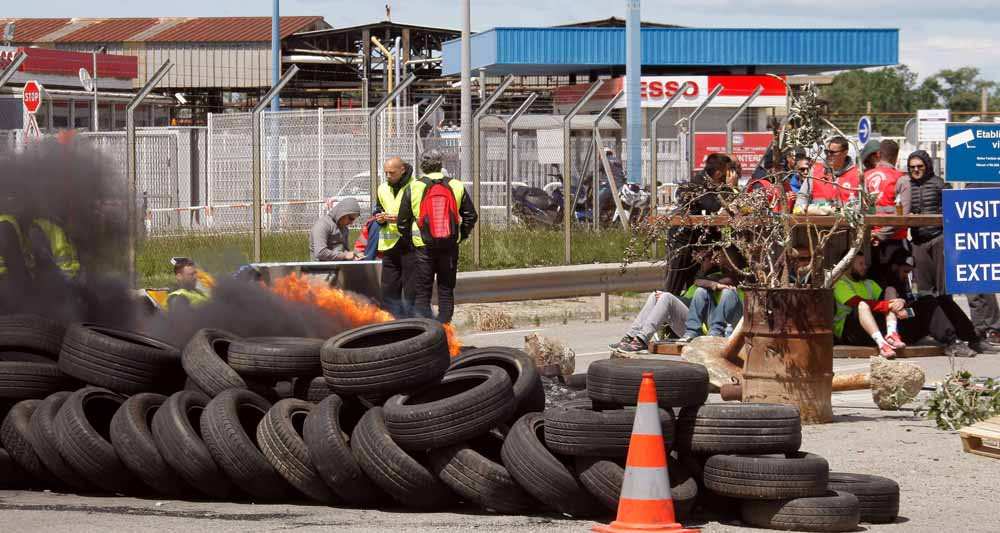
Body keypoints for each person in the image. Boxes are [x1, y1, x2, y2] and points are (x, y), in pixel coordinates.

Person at [397, 149, 478, 324]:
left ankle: (428, 331)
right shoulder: (456, 185)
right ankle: (445, 329)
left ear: (422, 165)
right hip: (449, 246)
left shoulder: (414, 187)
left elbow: (402, 222)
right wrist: (460, 236)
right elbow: (471, 216)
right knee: (446, 289)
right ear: (441, 165)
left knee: (423, 291)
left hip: (423, 247)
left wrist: (410, 242)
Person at [872, 247, 989, 357]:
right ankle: (951, 342)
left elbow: (909, 307)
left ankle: (973, 339)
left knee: (942, 300)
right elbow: (892, 313)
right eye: (905, 271)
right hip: (894, 330)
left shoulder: (903, 283)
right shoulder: (886, 285)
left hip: (907, 319)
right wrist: (911, 310)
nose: (907, 276)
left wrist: (911, 309)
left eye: (910, 272)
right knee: (928, 304)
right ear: (894, 267)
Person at [833, 251, 905, 358]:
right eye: (860, 264)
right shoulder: (839, 283)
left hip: (873, 329)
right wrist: (889, 305)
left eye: (865, 263)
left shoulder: (869, 283)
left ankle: (892, 333)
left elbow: (887, 301)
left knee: (890, 290)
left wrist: (900, 302)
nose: (865, 267)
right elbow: (856, 302)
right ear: (847, 265)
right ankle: (882, 344)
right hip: (850, 333)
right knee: (862, 305)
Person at [376, 156, 416, 317]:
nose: (388, 176)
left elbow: (422, 215)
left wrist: (400, 219)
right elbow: (377, 209)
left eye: (391, 173)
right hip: (389, 244)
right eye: (386, 173)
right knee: (388, 289)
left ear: (402, 170)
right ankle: (389, 325)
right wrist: (379, 218)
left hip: (410, 243)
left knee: (410, 289)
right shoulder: (382, 188)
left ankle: (411, 323)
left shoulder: (415, 186)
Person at [906, 150, 948, 296]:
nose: (916, 170)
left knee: (944, 288)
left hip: (939, 239)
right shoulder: (907, 185)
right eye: (912, 167)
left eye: (920, 166)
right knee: (924, 291)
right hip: (918, 242)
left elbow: (950, 210)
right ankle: (929, 318)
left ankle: (947, 318)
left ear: (927, 166)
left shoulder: (939, 183)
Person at [863, 139, 910, 268]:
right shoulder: (902, 178)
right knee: (894, 285)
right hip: (894, 243)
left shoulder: (864, 177)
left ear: (878, 154)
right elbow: (903, 216)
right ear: (896, 156)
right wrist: (880, 235)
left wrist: (872, 234)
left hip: (868, 239)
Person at [678, 254, 744, 342]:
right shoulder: (718, 275)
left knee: (729, 292)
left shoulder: (744, 276)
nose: (718, 259)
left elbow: (731, 280)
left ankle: (716, 333)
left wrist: (717, 284)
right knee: (700, 291)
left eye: (722, 256)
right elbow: (698, 281)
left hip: (737, 323)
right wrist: (716, 285)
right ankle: (692, 332)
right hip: (716, 322)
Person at [795, 136, 860, 213]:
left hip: (847, 222)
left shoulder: (858, 174)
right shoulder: (815, 171)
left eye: (832, 152)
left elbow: (863, 204)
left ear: (845, 153)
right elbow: (803, 196)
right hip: (819, 223)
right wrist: (800, 210)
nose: (828, 155)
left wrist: (839, 211)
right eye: (826, 152)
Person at [310, 198, 362, 262]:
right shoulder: (323, 225)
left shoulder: (344, 229)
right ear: (342, 214)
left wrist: (353, 256)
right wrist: (345, 255)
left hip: (339, 268)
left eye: (353, 219)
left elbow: (345, 250)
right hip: (321, 269)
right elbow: (320, 252)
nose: (351, 223)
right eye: (351, 218)